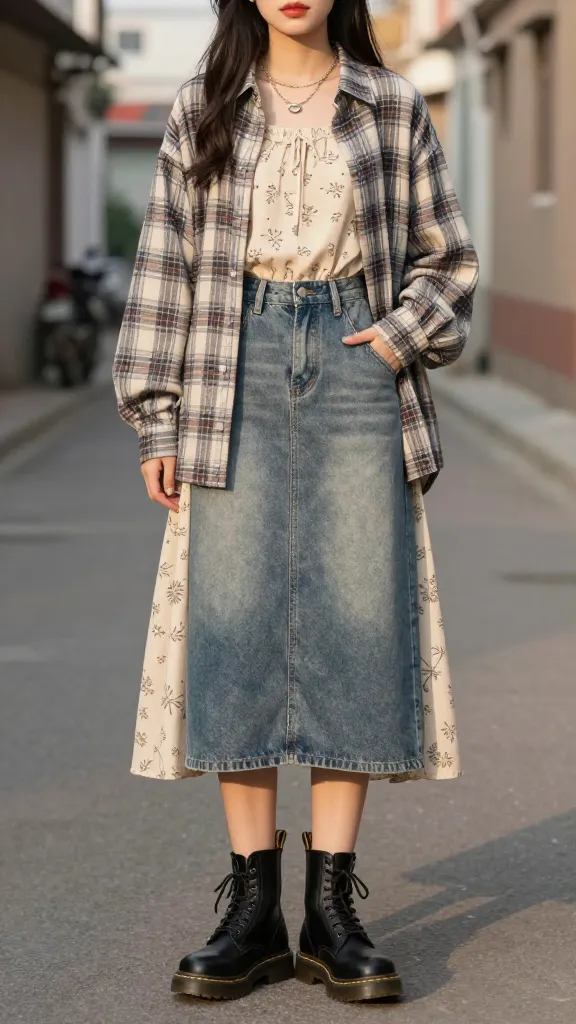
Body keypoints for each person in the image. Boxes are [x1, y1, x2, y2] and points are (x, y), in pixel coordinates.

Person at [112, 0, 479, 1004]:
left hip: (361, 359)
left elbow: (449, 261)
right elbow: (165, 270)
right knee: (235, 627)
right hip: (232, 365)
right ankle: (250, 908)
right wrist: (156, 414)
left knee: (356, 622)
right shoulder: (205, 108)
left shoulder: (392, 105)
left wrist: (398, 337)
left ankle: (331, 906)